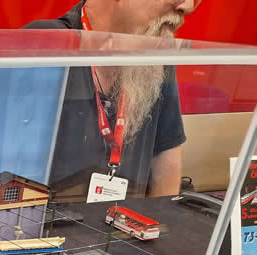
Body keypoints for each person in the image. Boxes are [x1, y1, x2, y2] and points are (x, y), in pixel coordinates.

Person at [25, 0, 201, 199]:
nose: (187, 6)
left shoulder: (155, 55)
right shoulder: (44, 44)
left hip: (124, 216)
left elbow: (165, 157)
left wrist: (160, 215)